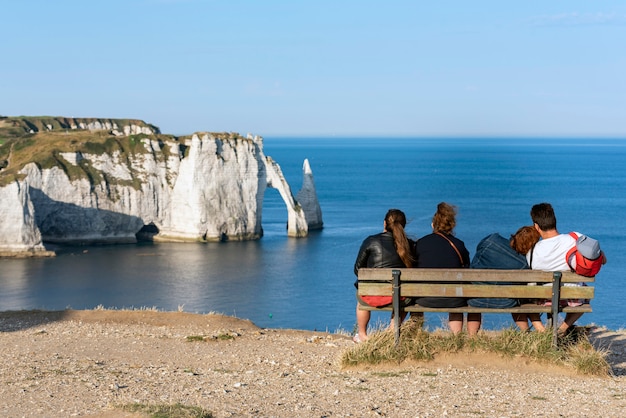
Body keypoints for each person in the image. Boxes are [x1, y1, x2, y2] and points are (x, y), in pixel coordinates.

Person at [525, 202, 591, 335]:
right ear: (554, 221)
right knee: (585, 293)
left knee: (525, 299)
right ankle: (561, 330)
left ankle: (542, 332)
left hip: (543, 299)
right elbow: (600, 258)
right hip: (573, 298)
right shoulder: (575, 238)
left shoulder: (531, 252)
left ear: (536, 226)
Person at [467, 226, 544, 334]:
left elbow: (478, 249)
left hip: (476, 298)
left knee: (476, 294)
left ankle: (471, 337)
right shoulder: (523, 264)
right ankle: (526, 334)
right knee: (517, 297)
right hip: (505, 302)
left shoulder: (491, 240)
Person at [353, 209, 415, 343]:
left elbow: (357, 269)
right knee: (406, 295)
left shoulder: (370, 241)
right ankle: (392, 330)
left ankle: (362, 335)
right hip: (399, 297)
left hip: (370, 295)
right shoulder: (409, 245)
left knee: (360, 300)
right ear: (403, 226)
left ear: (384, 224)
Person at [413, 202, 471, 334]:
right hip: (453, 299)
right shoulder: (459, 245)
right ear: (452, 226)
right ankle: (456, 337)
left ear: (433, 225)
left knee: (414, 294)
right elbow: (467, 268)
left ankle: (415, 334)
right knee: (456, 297)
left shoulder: (421, 243)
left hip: (424, 298)